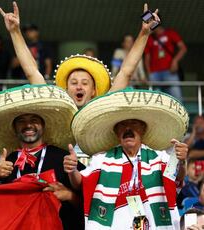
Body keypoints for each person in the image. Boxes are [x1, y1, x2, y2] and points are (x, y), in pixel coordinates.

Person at [66, 89, 189, 229]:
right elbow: (81, 183)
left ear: (143, 130)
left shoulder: (159, 157)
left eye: (134, 125)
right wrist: (72, 170)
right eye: (122, 126)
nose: (128, 129)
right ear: (116, 133)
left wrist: (182, 161)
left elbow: (176, 178)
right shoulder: (102, 159)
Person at [0, 2, 160, 108]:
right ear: (66, 88)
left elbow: (126, 72)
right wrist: (15, 32)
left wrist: (144, 34)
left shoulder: (103, 107)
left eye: (85, 83)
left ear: (93, 91)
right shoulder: (56, 109)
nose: (79, 87)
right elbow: (32, 72)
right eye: (74, 82)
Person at [0, 84, 85, 229]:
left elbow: (92, 206)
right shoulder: (5, 163)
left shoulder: (64, 159)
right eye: (22, 121)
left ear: (43, 125)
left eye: (34, 120)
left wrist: (69, 195)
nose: (28, 125)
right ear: (14, 128)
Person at [144, 24, 187, 101]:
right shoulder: (149, 38)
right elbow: (147, 57)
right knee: (155, 101)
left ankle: (180, 113)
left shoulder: (170, 33)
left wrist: (175, 61)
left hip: (170, 71)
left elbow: (183, 48)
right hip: (154, 73)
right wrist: (149, 73)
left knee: (177, 99)